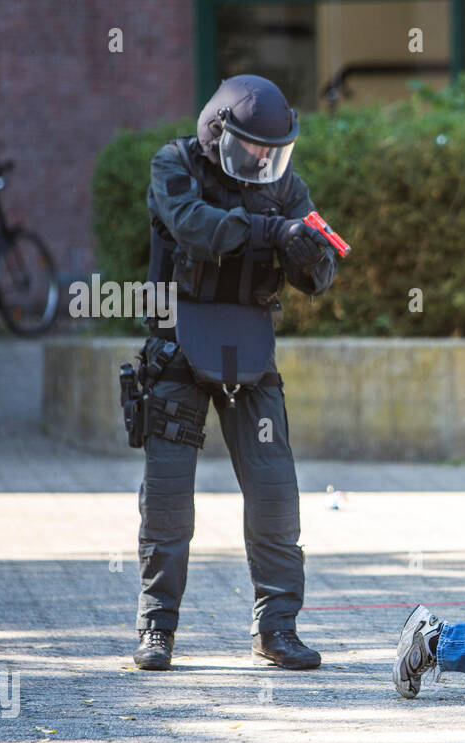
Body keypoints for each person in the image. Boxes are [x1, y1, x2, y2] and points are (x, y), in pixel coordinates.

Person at [130, 75, 337, 671]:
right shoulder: (175, 164)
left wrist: (308, 257)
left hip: (250, 350)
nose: (265, 159)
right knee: (168, 502)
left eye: (274, 150)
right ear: (221, 133)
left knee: (275, 495)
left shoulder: (284, 185)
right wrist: (272, 232)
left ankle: (277, 630)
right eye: (253, 148)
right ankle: (156, 630)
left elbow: (319, 270)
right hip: (176, 348)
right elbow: (195, 225)